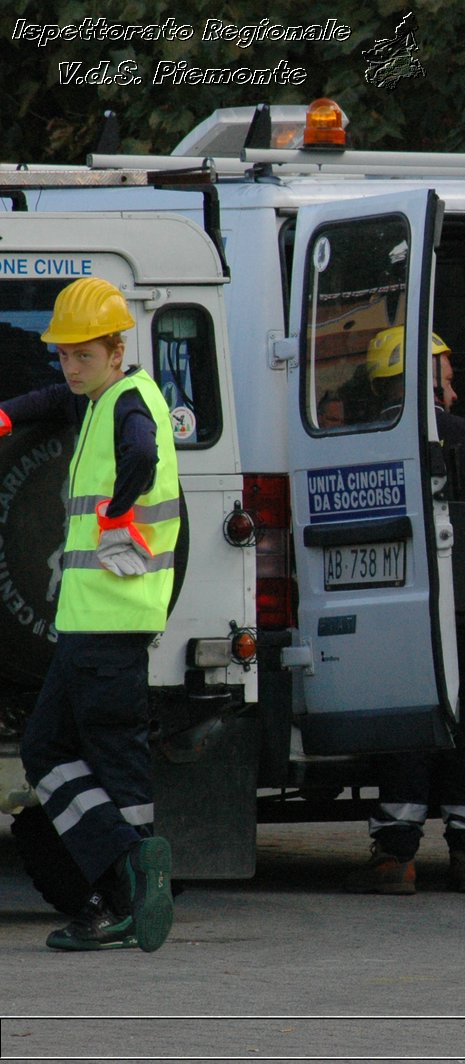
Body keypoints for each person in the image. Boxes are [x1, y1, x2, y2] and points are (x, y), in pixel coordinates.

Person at [0, 277, 178, 952]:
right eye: (64, 354)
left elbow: (140, 453)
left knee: (96, 762)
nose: (70, 366)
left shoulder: (130, 405)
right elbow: (53, 399)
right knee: (64, 752)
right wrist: (7, 416)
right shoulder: (102, 399)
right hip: (97, 628)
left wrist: (121, 508)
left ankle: (126, 889)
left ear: (115, 347)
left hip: (111, 628)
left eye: (82, 354)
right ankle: (125, 881)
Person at [345, 330, 465, 894]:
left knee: (407, 722)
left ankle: (396, 858)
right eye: (446, 375)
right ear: (424, 378)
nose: (453, 386)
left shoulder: (362, 440)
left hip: (394, 610)